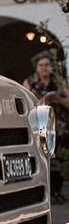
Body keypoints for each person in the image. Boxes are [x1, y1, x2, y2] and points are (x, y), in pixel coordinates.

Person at [24, 51, 69, 202]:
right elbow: (26, 104)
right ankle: (45, 192)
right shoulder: (29, 82)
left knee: (59, 159)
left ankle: (56, 191)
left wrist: (59, 100)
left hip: (59, 128)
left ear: (51, 67)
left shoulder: (59, 82)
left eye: (47, 65)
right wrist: (44, 100)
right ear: (36, 68)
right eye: (41, 65)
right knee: (42, 159)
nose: (44, 68)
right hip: (40, 127)